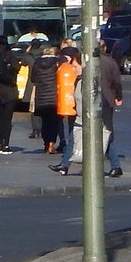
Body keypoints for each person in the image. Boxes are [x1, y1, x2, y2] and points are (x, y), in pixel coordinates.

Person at [50, 46, 82, 175]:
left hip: (84, 114)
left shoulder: (87, 78)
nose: (73, 69)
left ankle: (115, 164)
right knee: (74, 137)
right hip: (78, 111)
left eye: (75, 66)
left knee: (104, 139)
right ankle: (64, 165)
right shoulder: (78, 77)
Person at [98, 39, 125, 178]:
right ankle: (114, 165)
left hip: (93, 99)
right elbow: (117, 83)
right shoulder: (111, 62)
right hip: (107, 98)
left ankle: (115, 165)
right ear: (105, 48)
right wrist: (118, 97)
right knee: (107, 131)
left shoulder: (88, 62)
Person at [27, 44, 61, 152]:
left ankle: (46, 143)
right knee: (54, 121)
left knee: (45, 121)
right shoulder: (57, 63)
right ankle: (52, 143)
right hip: (54, 96)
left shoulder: (37, 63)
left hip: (41, 96)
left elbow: (33, 79)